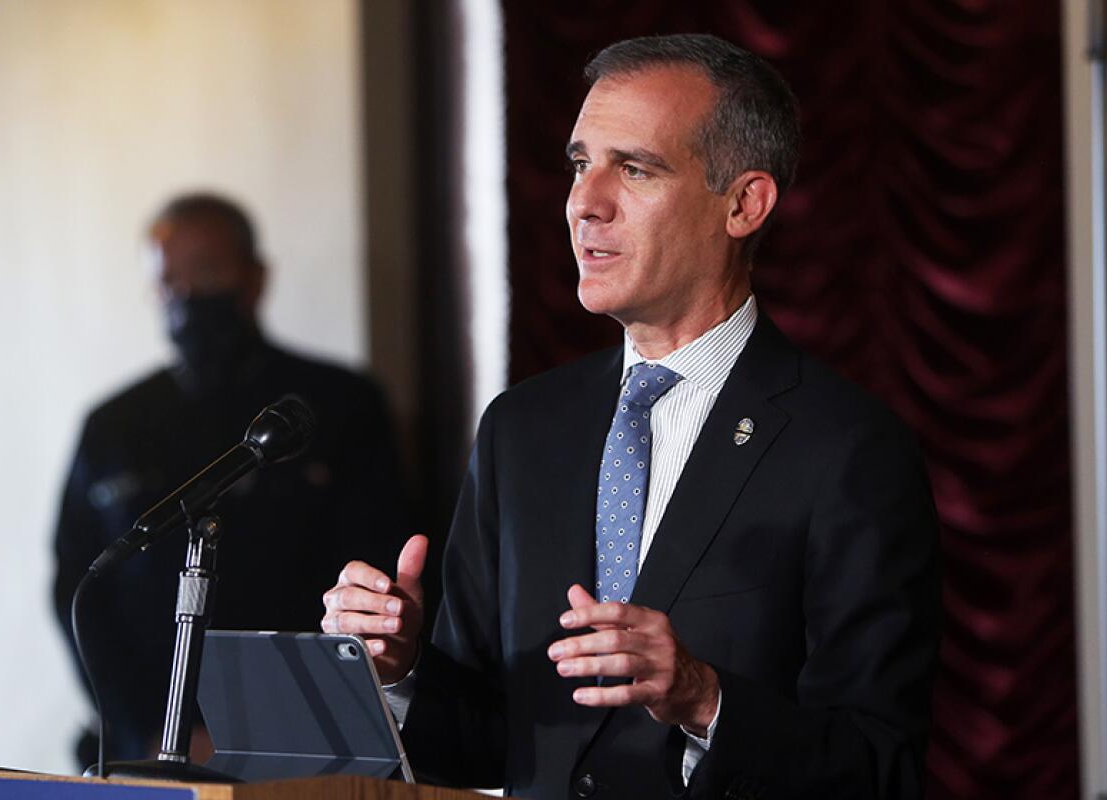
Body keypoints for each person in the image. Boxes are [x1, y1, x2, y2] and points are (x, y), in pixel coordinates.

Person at [323, 34, 939, 799]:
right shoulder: (522, 430)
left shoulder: (846, 448)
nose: (585, 202)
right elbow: (486, 749)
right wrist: (403, 667)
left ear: (744, 204)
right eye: (582, 164)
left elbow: (877, 766)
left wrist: (702, 699)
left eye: (636, 168)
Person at [53, 193, 413, 766]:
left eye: (207, 272)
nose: (187, 296)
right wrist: (149, 729)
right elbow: (81, 585)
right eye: (169, 281)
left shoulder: (334, 407)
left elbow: (376, 571)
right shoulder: (113, 426)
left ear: (254, 278)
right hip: (145, 747)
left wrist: (256, 733)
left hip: (304, 742)